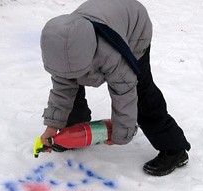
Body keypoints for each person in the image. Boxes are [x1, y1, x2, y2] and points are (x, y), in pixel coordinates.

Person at [39, 0, 191, 176]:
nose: (69, 76)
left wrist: (120, 133)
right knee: (69, 85)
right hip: (104, 17)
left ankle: (175, 150)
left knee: (141, 92)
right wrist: (53, 126)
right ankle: (75, 128)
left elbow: (124, 92)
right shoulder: (60, 50)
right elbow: (62, 89)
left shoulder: (110, 54)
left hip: (134, 27)